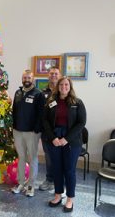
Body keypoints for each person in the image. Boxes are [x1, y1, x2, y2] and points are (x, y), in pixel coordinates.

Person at [43, 76, 86, 213]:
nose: (64, 87)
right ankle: (57, 195)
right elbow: (45, 121)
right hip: (54, 140)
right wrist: (53, 138)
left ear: (70, 86)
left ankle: (69, 199)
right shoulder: (51, 102)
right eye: (61, 84)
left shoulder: (77, 103)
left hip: (71, 142)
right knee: (57, 169)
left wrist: (66, 139)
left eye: (66, 85)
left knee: (69, 170)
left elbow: (81, 123)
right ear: (58, 86)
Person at [11, 70, 45, 197]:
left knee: (32, 158)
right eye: (24, 77)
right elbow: (14, 110)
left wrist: (36, 130)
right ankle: (20, 183)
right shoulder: (18, 92)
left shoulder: (38, 94)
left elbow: (41, 114)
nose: (26, 79)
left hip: (31, 133)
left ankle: (31, 185)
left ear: (33, 79)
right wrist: (13, 127)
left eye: (29, 77)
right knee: (21, 158)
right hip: (18, 131)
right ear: (22, 78)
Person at [39, 67, 61, 191]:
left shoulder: (64, 90)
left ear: (60, 75)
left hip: (60, 131)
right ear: (48, 75)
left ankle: (60, 181)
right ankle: (49, 180)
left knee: (60, 157)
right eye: (51, 73)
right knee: (49, 157)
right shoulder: (43, 92)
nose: (53, 75)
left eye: (56, 74)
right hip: (46, 132)